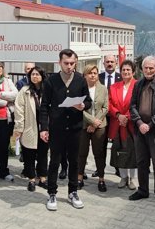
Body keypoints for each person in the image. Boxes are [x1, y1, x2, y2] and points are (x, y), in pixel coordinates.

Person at [39, 49, 91, 211]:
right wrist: (44, 128)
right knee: (55, 161)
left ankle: (73, 191)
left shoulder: (80, 80)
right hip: (57, 128)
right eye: (66, 63)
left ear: (76, 62)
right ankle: (52, 192)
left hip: (75, 128)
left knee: (74, 161)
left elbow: (88, 101)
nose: (69, 66)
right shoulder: (51, 81)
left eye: (72, 63)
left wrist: (83, 105)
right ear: (59, 63)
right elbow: (44, 106)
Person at [128, 56, 155, 204]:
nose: (148, 70)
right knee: (141, 162)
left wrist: (150, 125)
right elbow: (132, 105)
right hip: (140, 130)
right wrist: (140, 123)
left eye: (151, 68)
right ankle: (143, 190)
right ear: (142, 68)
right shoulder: (138, 84)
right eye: (145, 67)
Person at [13, 66, 49, 192]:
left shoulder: (48, 90)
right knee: (29, 155)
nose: (35, 76)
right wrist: (19, 128)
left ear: (42, 76)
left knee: (43, 154)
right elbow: (19, 110)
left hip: (44, 128)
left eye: (37, 74)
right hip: (29, 127)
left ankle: (43, 178)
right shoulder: (24, 90)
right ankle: (32, 179)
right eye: (32, 74)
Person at [77, 63, 108, 192]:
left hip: (100, 125)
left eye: (95, 73)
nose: (93, 75)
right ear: (85, 75)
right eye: (90, 73)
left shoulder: (103, 89)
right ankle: (79, 178)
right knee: (81, 153)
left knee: (99, 153)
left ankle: (101, 179)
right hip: (83, 125)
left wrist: (96, 123)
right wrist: (91, 121)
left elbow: (106, 107)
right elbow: (78, 108)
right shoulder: (79, 89)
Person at [108, 60, 139, 189]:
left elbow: (138, 104)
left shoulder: (138, 85)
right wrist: (118, 115)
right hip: (117, 123)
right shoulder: (114, 87)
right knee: (119, 151)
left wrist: (127, 116)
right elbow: (109, 104)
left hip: (132, 124)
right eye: (124, 70)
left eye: (128, 70)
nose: (126, 72)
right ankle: (123, 177)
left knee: (133, 152)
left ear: (133, 72)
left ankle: (134, 178)